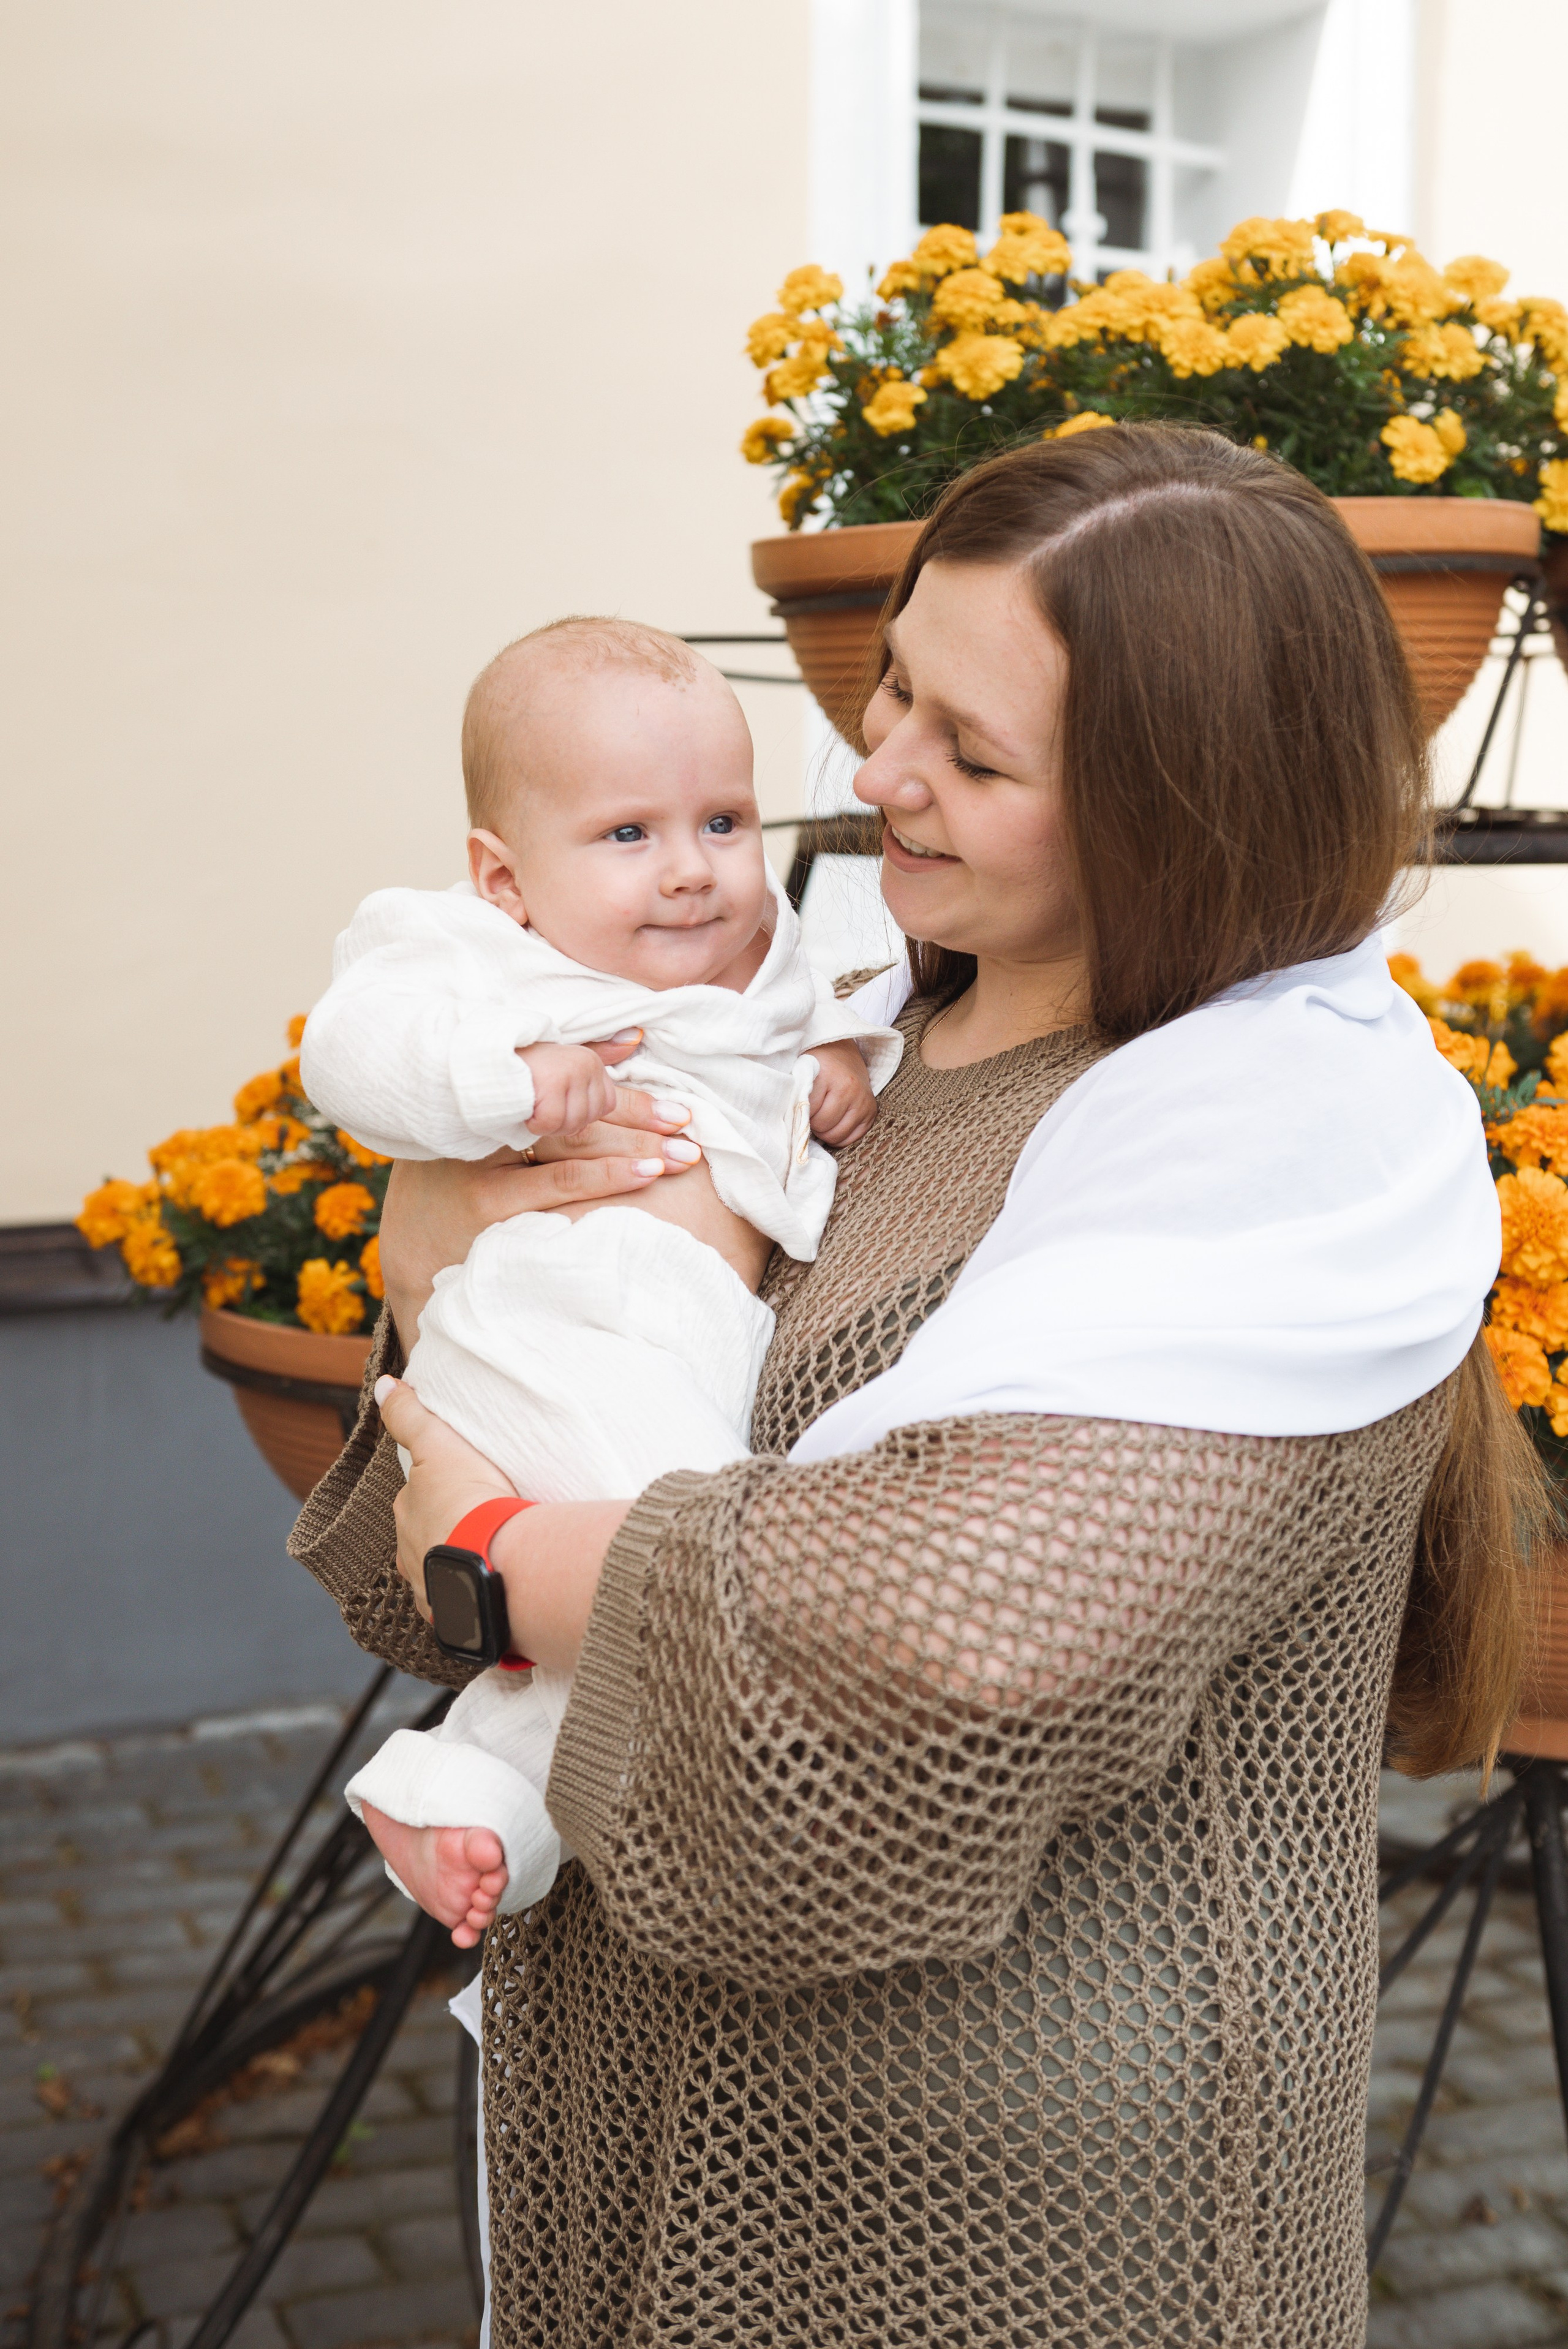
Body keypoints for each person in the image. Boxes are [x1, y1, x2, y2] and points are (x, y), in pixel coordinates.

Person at [291, 425, 1542, 2349]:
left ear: (1176, 809)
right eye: (892, 689)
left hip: (1008, 2246)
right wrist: (435, 1291)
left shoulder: (1262, 1154)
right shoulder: (835, 1049)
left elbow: (912, 1676)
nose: (874, 773)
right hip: (650, 2147)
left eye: (973, 751)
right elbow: (416, 1595)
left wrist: (489, 1542)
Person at [299, 617, 899, 1928]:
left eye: (724, 821)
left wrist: (841, 1067)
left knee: (602, 1612)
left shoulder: (763, 951)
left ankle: (472, 1795)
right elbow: (352, 1048)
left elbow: (833, 1020)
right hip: (547, 1321)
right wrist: (496, 1086)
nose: (691, 872)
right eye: (629, 834)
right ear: (503, 878)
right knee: (688, 1570)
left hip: (683, 1332)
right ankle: (770, 1847)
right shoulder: (474, 955)